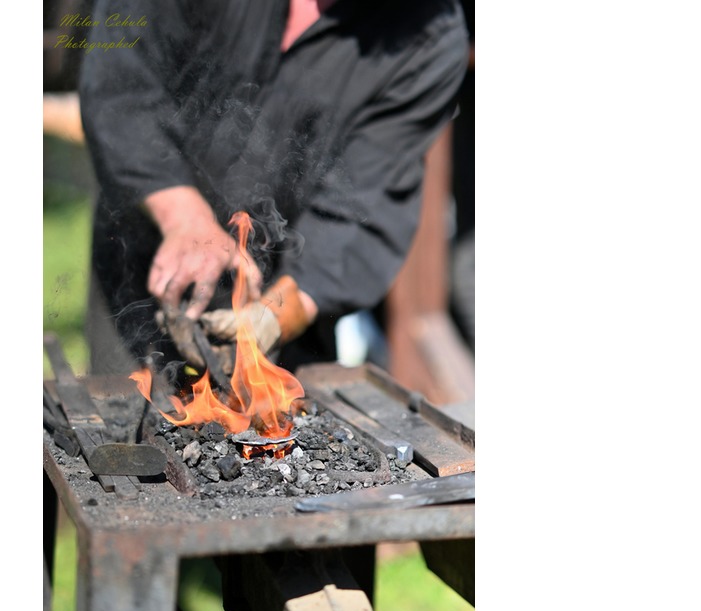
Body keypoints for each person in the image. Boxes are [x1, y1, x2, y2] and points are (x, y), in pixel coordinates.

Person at [79, 0, 469, 375]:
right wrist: (185, 218)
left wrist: (274, 317)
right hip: (144, 271)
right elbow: (123, 85)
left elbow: (362, 205)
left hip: (285, 294)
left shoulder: (428, 34)